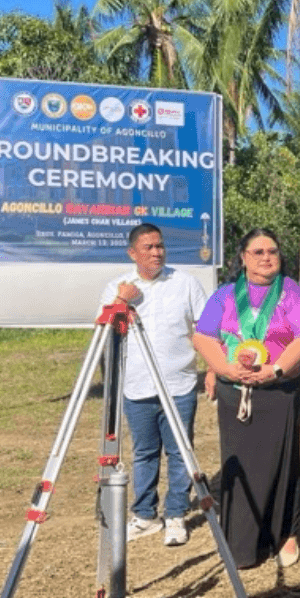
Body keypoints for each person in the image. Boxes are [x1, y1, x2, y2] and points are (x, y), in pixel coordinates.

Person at [192, 228, 300, 569]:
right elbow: (204, 336)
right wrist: (223, 369)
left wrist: (276, 370)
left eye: (273, 251)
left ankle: (284, 534)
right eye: (258, 252)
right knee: (240, 463)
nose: (267, 257)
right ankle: (243, 543)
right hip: (235, 391)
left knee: (282, 462)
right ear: (243, 258)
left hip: (278, 391)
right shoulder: (223, 295)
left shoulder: (293, 294)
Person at [99, 223, 207, 547]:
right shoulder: (118, 287)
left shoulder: (185, 283)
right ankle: (146, 515)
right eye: (148, 247)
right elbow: (102, 330)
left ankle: (175, 514)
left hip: (179, 383)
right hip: (137, 387)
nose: (157, 252)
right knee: (144, 452)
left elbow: (204, 328)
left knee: (179, 451)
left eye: (160, 246)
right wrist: (122, 300)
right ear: (133, 253)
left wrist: (214, 369)